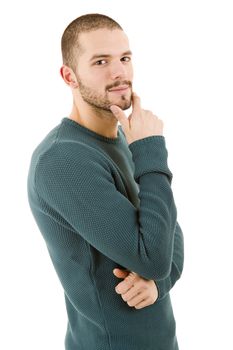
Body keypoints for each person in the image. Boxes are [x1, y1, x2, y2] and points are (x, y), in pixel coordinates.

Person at [27, 13, 184, 350]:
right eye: (101, 61)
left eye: (125, 59)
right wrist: (151, 149)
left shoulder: (127, 141)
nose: (119, 73)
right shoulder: (64, 160)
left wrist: (159, 283)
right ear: (69, 76)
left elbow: (170, 233)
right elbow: (153, 258)